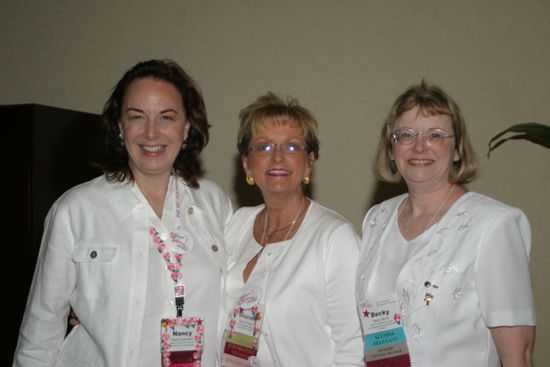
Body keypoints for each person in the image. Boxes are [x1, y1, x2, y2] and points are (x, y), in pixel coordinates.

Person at [13, 59, 233, 367]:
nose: (151, 132)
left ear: (186, 128)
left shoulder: (215, 203)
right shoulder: (75, 210)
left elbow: (237, 298)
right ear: (120, 127)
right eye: (136, 117)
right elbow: (41, 332)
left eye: (166, 117)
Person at [356, 80, 536, 367]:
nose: (419, 146)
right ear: (391, 150)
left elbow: (518, 355)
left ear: (457, 150)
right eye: (405, 134)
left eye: (435, 135)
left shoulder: (493, 226)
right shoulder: (377, 220)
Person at [221, 92, 363, 366]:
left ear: (310, 161)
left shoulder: (334, 238)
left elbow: (354, 347)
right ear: (246, 163)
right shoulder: (236, 225)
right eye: (263, 147)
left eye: (291, 147)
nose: (277, 158)